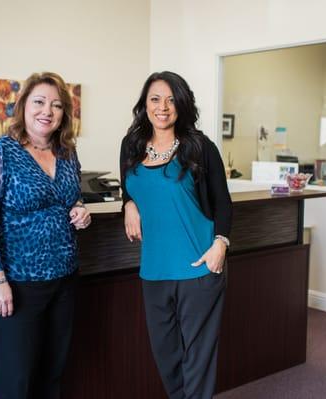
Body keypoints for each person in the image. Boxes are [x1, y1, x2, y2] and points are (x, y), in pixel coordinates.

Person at [0, 72, 91, 399]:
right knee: (16, 378)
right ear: (23, 106)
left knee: (52, 372)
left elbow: (70, 197)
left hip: (64, 278)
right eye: (39, 102)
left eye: (56, 105)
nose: (47, 111)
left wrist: (79, 209)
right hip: (17, 282)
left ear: (65, 113)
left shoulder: (67, 153)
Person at [120, 71, 232, 399]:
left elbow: (223, 204)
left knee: (198, 358)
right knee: (166, 353)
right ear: (145, 105)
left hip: (199, 264)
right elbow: (130, 188)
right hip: (154, 269)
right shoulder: (131, 145)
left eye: (171, 99)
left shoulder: (200, 147)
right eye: (155, 99)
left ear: (181, 105)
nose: (163, 107)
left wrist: (220, 246)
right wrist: (128, 204)